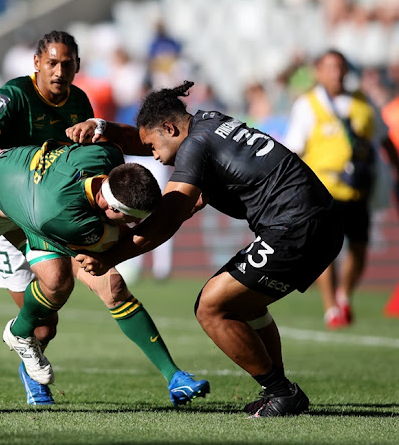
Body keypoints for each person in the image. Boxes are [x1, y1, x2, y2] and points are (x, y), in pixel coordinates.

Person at [0, 30, 208, 406]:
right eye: (52, 63)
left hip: (62, 213)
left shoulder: (80, 101)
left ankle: (175, 378)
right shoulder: (15, 95)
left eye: (67, 64)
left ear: (78, 66)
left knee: (114, 286)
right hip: (11, 216)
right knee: (43, 322)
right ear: (37, 63)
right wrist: (19, 179)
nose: (59, 71)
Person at [71, 81, 343, 417]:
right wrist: (104, 128)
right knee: (244, 304)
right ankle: (280, 390)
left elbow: (167, 218)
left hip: (294, 227)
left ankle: (280, 391)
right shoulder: (210, 122)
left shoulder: (195, 144)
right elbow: (154, 145)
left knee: (211, 307)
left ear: (169, 128)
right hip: (320, 221)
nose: (152, 154)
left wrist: (112, 256)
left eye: (152, 145)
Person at [0, 139, 210, 406]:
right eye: (128, 218)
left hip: (24, 193)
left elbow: (109, 142)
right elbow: (124, 244)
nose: (130, 224)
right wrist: (177, 214)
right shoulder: (67, 219)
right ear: (110, 206)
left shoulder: (106, 157)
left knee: (111, 286)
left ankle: (174, 377)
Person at [283, 49, 376, 329]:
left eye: (341, 67)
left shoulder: (363, 102)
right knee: (326, 252)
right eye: (330, 67)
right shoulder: (307, 105)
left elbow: (380, 139)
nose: (336, 73)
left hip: (358, 189)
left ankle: (344, 295)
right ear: (319, 72)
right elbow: (294, 149)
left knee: (359, 249)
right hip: (323, 190)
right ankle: (331, 308)